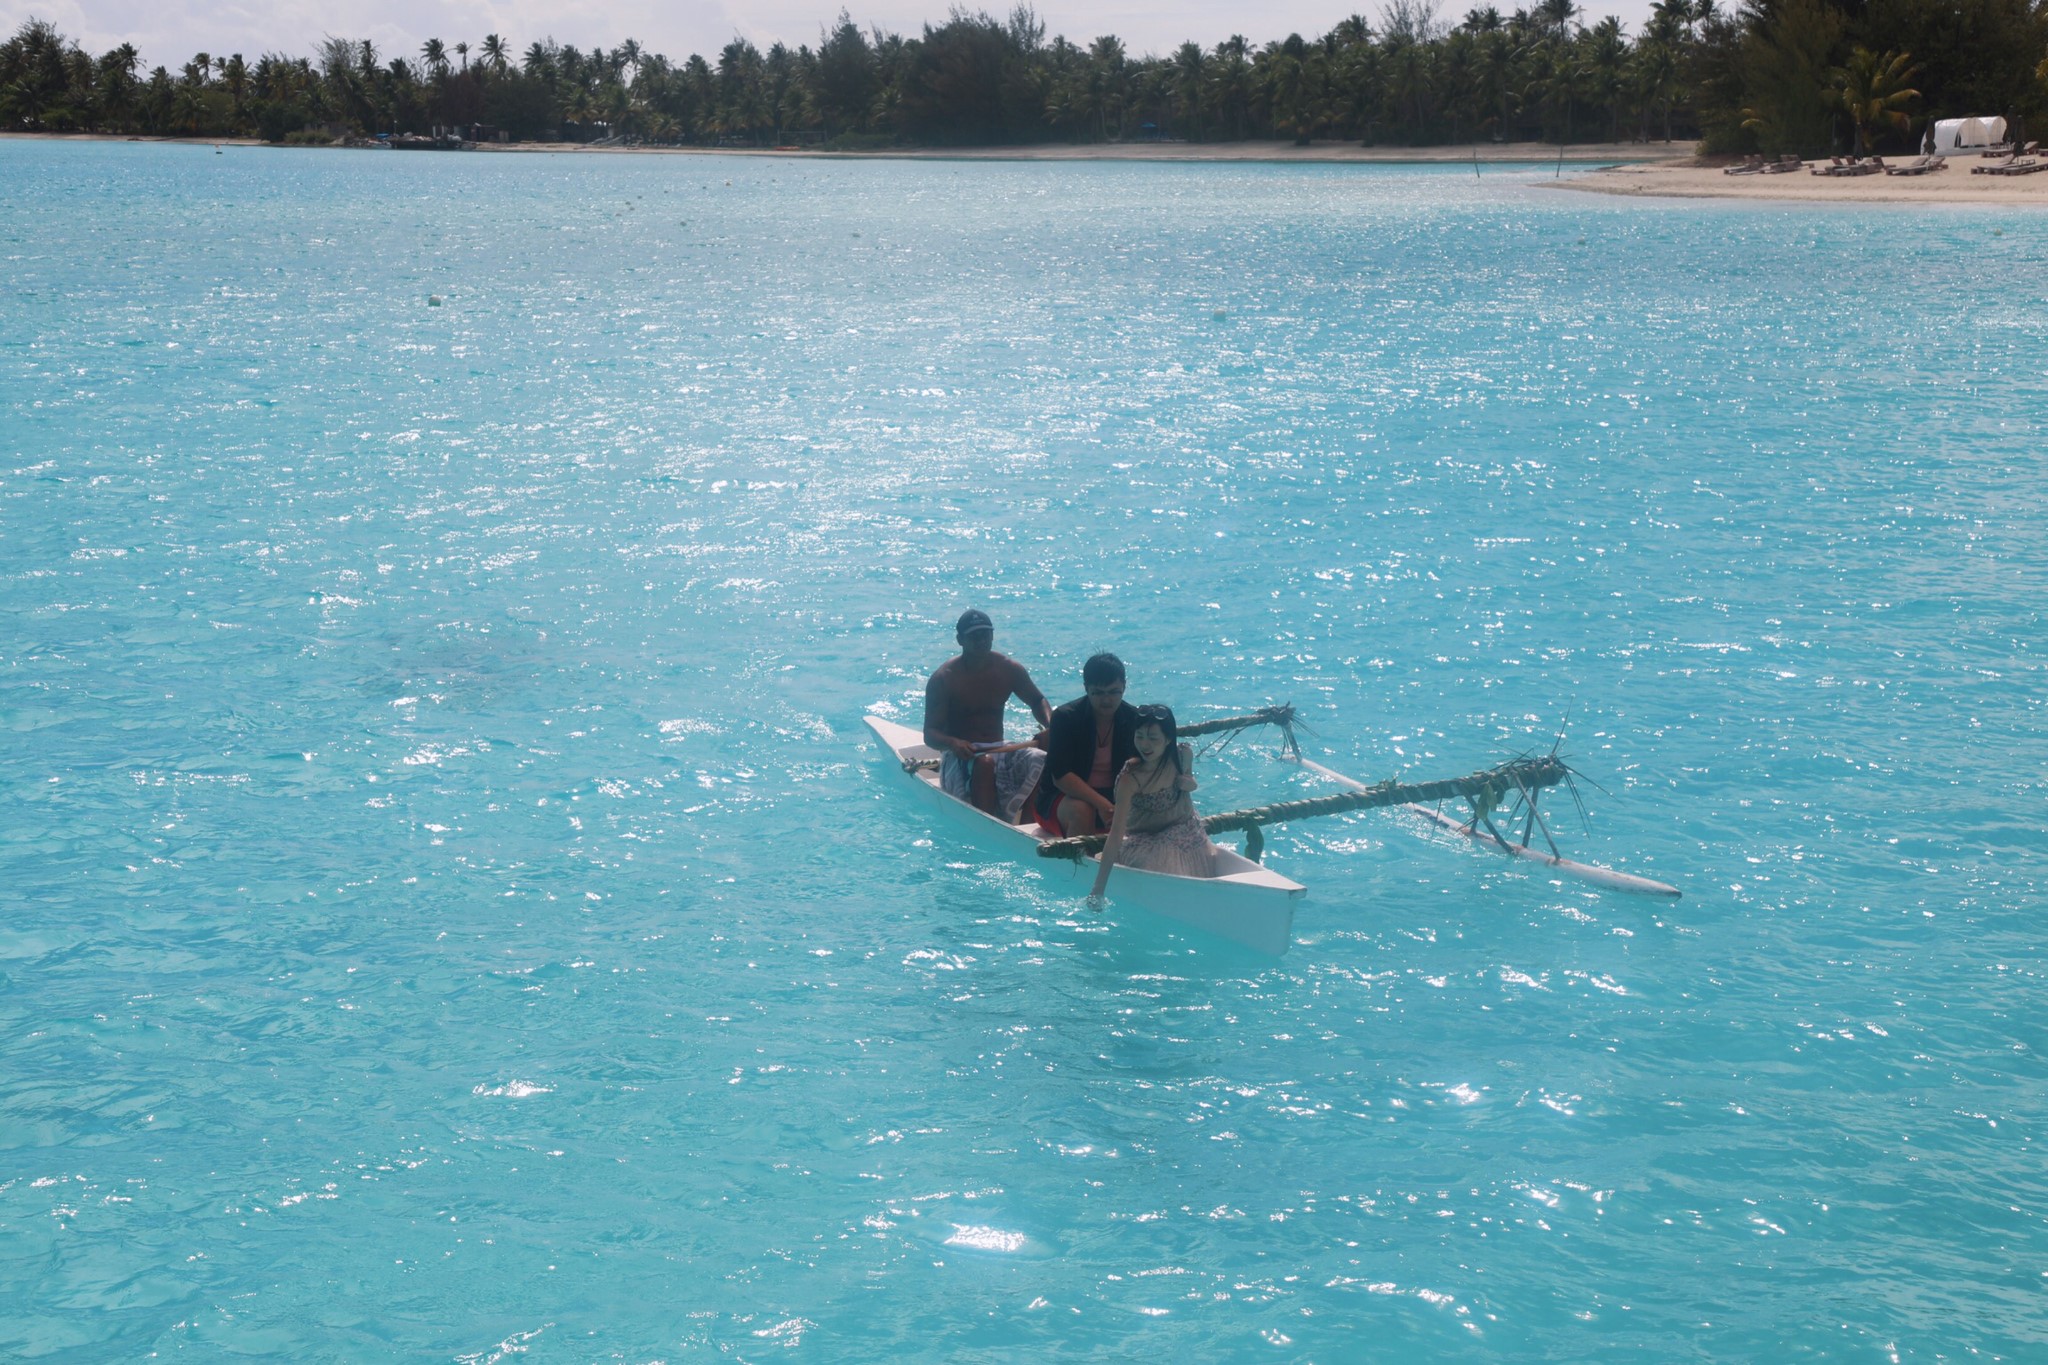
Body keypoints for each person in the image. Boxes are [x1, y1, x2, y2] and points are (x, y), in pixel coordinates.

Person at [923, 608, 1051, 822]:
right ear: (960, 640)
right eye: (974, 636)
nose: (981, 640)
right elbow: (930, 734)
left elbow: (1038, 701)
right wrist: (954, 743)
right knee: (985, 764)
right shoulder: (944, 679)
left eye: (985, 634)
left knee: (1041, 758)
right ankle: (988, 824)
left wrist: (1050, 725)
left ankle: (1028, 826)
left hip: (1000, 747)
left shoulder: (1008, 669)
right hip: (961, 756)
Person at [1090, 704, 1219, 901]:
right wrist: (1098, 890)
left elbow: (1190, 781)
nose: (1144, 745)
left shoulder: (1182, 756)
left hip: (1187, 833)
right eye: (1139, 736)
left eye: (1153, 738)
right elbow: (1116, 834)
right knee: (1150, 863)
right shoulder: (1130, 778)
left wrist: (1191, 783)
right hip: (1146, 842)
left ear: (1168, 739)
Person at [1040, 652, 1139, 838]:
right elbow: (1060, 776)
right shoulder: (1065, 717)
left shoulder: (1134, 718)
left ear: (1124, 687)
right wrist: (1104, 806)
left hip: (1114, 798)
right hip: (1062, 798)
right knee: (1083, 810)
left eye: (1113, 692)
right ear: (1086, 688)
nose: (1107, 700)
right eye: (1099, 693)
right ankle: (1079, 865)